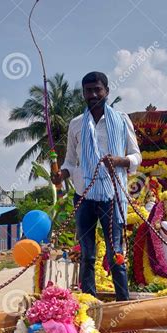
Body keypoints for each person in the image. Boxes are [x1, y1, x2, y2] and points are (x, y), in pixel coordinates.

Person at [52, 71, 141, 301]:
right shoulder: (76, 124)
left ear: (107, 91)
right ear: (82, 93)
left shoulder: (121, 120)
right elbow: (70, 162)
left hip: (113, 197)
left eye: (97, 89)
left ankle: (124, 305)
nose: (92, 94)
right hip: (84, 197)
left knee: (116, 254)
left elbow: (136, 156)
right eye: (88, 90)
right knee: (87, 255)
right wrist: (61, 174)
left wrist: (120, 161)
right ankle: (89, 305)